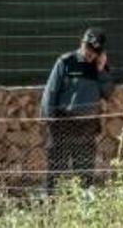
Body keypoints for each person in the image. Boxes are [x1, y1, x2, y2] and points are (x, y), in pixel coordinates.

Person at [40, 27, 114, 194]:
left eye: (94, 51)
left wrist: (101, 70)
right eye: (88, 48)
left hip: (87, 127)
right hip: (62, 124)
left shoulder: (99, 68)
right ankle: (47, 206)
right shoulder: (66, 62)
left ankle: (85, 209)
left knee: (85, 172)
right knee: (56, 169)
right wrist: (49, 121)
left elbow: (108, 92)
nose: (90, 53)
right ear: (81, 43)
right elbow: (51, 91)